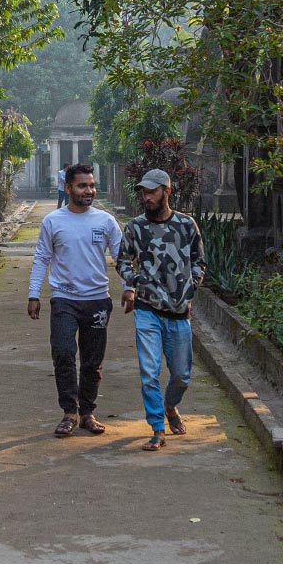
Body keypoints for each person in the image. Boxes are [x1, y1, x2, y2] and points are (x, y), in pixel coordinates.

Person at [28, 162, 124, 437]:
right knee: (63, 353)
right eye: (82, 185)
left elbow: (121, 258)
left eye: (92, 185)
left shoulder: (105, 221)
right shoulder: (53, 221)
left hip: (96, 300)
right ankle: (69, 411)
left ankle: (87, 413)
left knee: (92, 362)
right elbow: (42, 259)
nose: (89, 190)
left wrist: (129, 287)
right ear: (68, 188)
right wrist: (33, 294)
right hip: (64, 299)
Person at [117, 169, 206, 451]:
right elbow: (122, 261)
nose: (146, 196)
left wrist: (191, 285)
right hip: (147, 310)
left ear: (167, 192)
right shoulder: (135, 227)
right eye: (144, 191)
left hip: (179, 313)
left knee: (181, 375)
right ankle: (157, 428)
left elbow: (199, 260)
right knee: (149, 371)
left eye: (152, 191)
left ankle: (170, 406)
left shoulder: (186, 225)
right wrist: (135, 281)